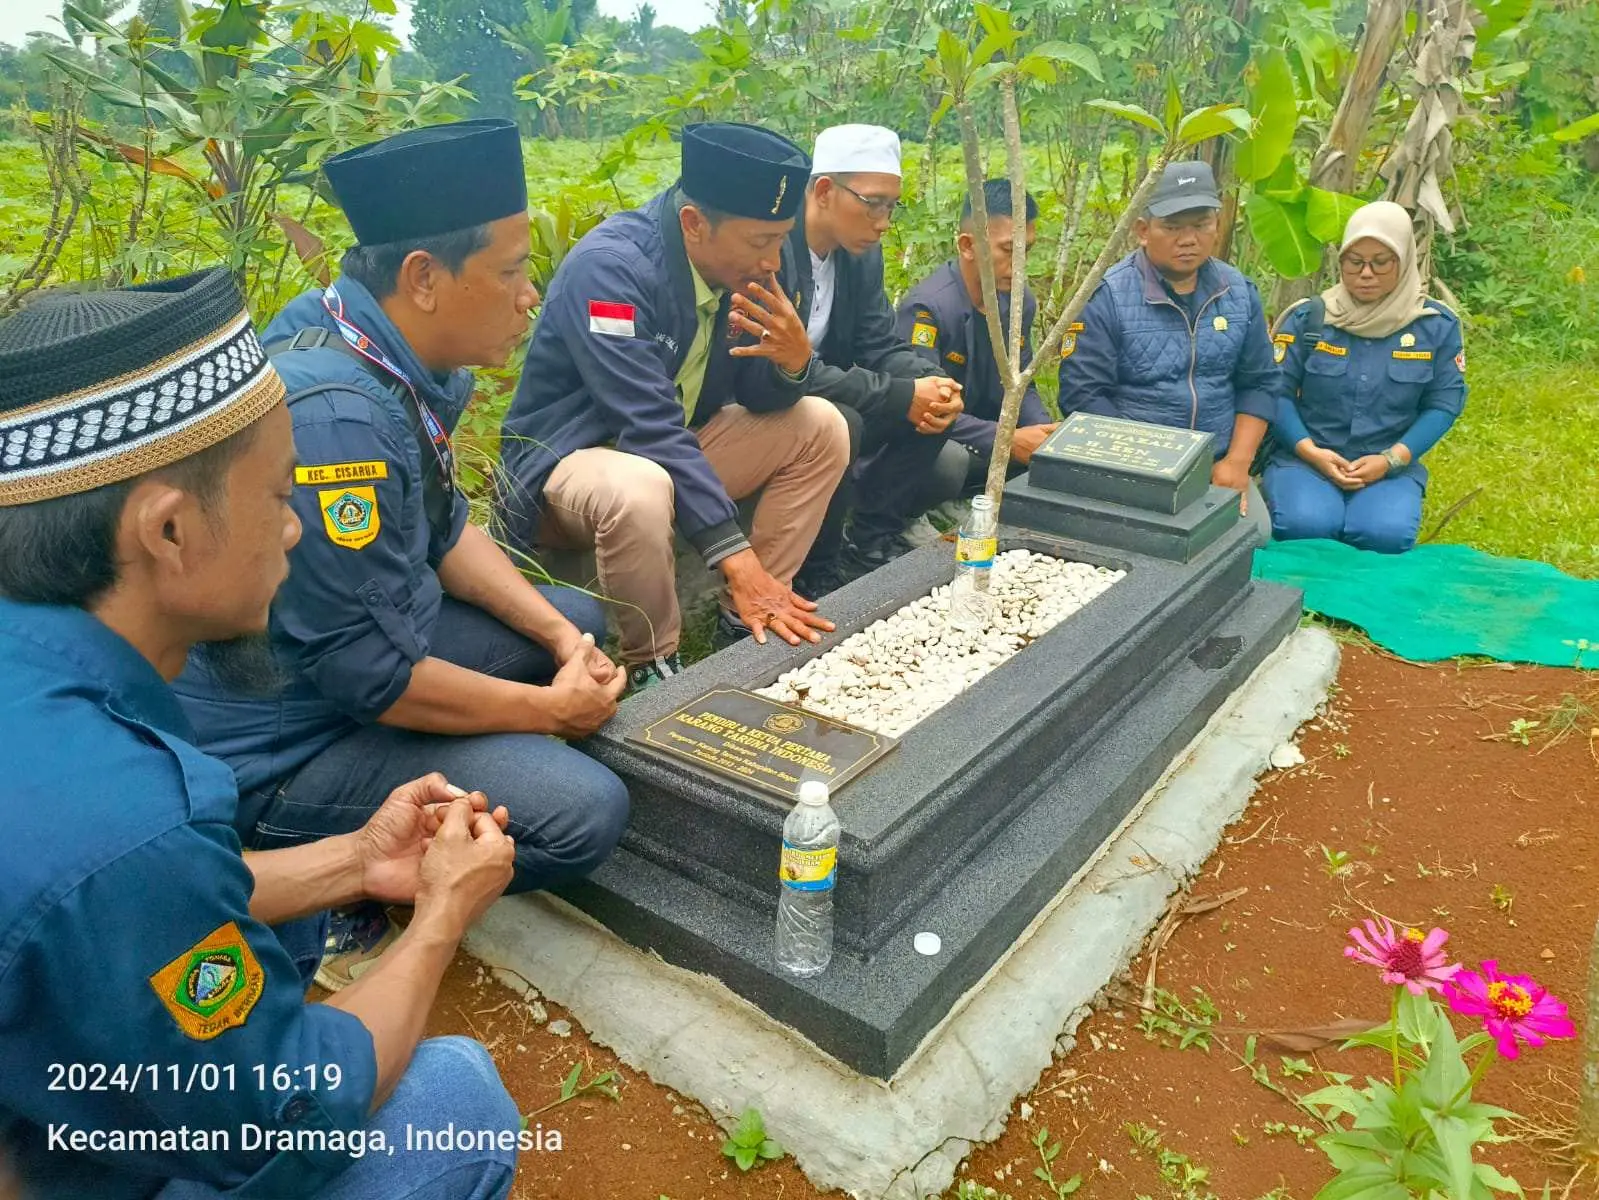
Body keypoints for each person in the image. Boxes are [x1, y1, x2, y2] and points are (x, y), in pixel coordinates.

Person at [0, 269, 522, 1199]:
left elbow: (100, 915)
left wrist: (358, 860)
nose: (292, 532)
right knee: (459, 1100)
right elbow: (289, 1109)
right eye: (279, 498)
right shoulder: (126, 818)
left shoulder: (52, 716)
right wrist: (441, 914)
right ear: (168, 530)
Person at [172, 119, 630, 986]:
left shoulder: (383, 340)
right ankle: (335, 877)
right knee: (583, 813)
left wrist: (562, 646)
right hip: (286, 739)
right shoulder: (334, 418)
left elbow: (447, 526)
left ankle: (515, 709)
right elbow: (371, 680)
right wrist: (549, 712)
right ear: (423, 277)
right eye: (509, 271)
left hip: (357, 648)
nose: (530, 294)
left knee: (572, 619)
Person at [497, 122, 851, 689]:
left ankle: (753, 616)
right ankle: (653, 664)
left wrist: (790, 361)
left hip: (670, 450)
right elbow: (648, 426)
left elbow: (759, 399)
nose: (772, 261)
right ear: (693, 224)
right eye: (759, 242)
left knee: (820, 425)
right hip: (573, 467)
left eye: (781, 239)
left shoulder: (746, 264)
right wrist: (735, 558)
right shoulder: (612, 270)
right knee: (640, 486)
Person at [783, 124, 963, 592]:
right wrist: (902, 394)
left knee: (931, 404)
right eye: (872, 203)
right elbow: (785, 368)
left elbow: (878, 342)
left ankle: (871, 537)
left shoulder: (860, 255)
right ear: (824, 190)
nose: (882, 222)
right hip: (775, 396)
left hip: (829, 390)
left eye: (891, 207)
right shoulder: (774, 247)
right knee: (846, 421)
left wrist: (931, 381)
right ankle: (814, 573)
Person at [1057, 160, 1277, 531]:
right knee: (1146, 544)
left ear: (1217, 225)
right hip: (1132, 466)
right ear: (1143, 230)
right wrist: (1145, 472)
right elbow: (1083, 396)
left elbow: (1260, 382)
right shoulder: (1107, 296)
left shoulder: (1238, 291)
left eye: (1201, 225)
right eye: (1172, 227)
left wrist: (1237, 464)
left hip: (1216, 461)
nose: (1189, 240)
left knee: (1253, 536)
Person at [849, 180, 1055, 545]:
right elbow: (925, 410)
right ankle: (902, 519)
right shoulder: (929, 308)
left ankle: (968, 503)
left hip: (985, 435)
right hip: (937, 441)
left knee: (1043, 447)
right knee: (950, 462)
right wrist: (1008, 439)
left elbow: (1021, 383)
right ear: (967, 246)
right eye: (1008, 250)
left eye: (1030, 251)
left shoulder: (1019, 302)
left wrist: (1043, 433)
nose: (1020, 265)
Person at [1265, 200, 1466, 552]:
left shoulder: (1435, 326)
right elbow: (1276, 392)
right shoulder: (1309, 319)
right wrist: (1311, 452)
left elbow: (1444, 404)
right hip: (1307, 459)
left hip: (1388, 464)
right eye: (1354, 262)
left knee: (1384, 536)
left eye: (1380, 262)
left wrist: (1391, 460)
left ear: (1403, 262)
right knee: (1305, 526)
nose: (1366, 273)